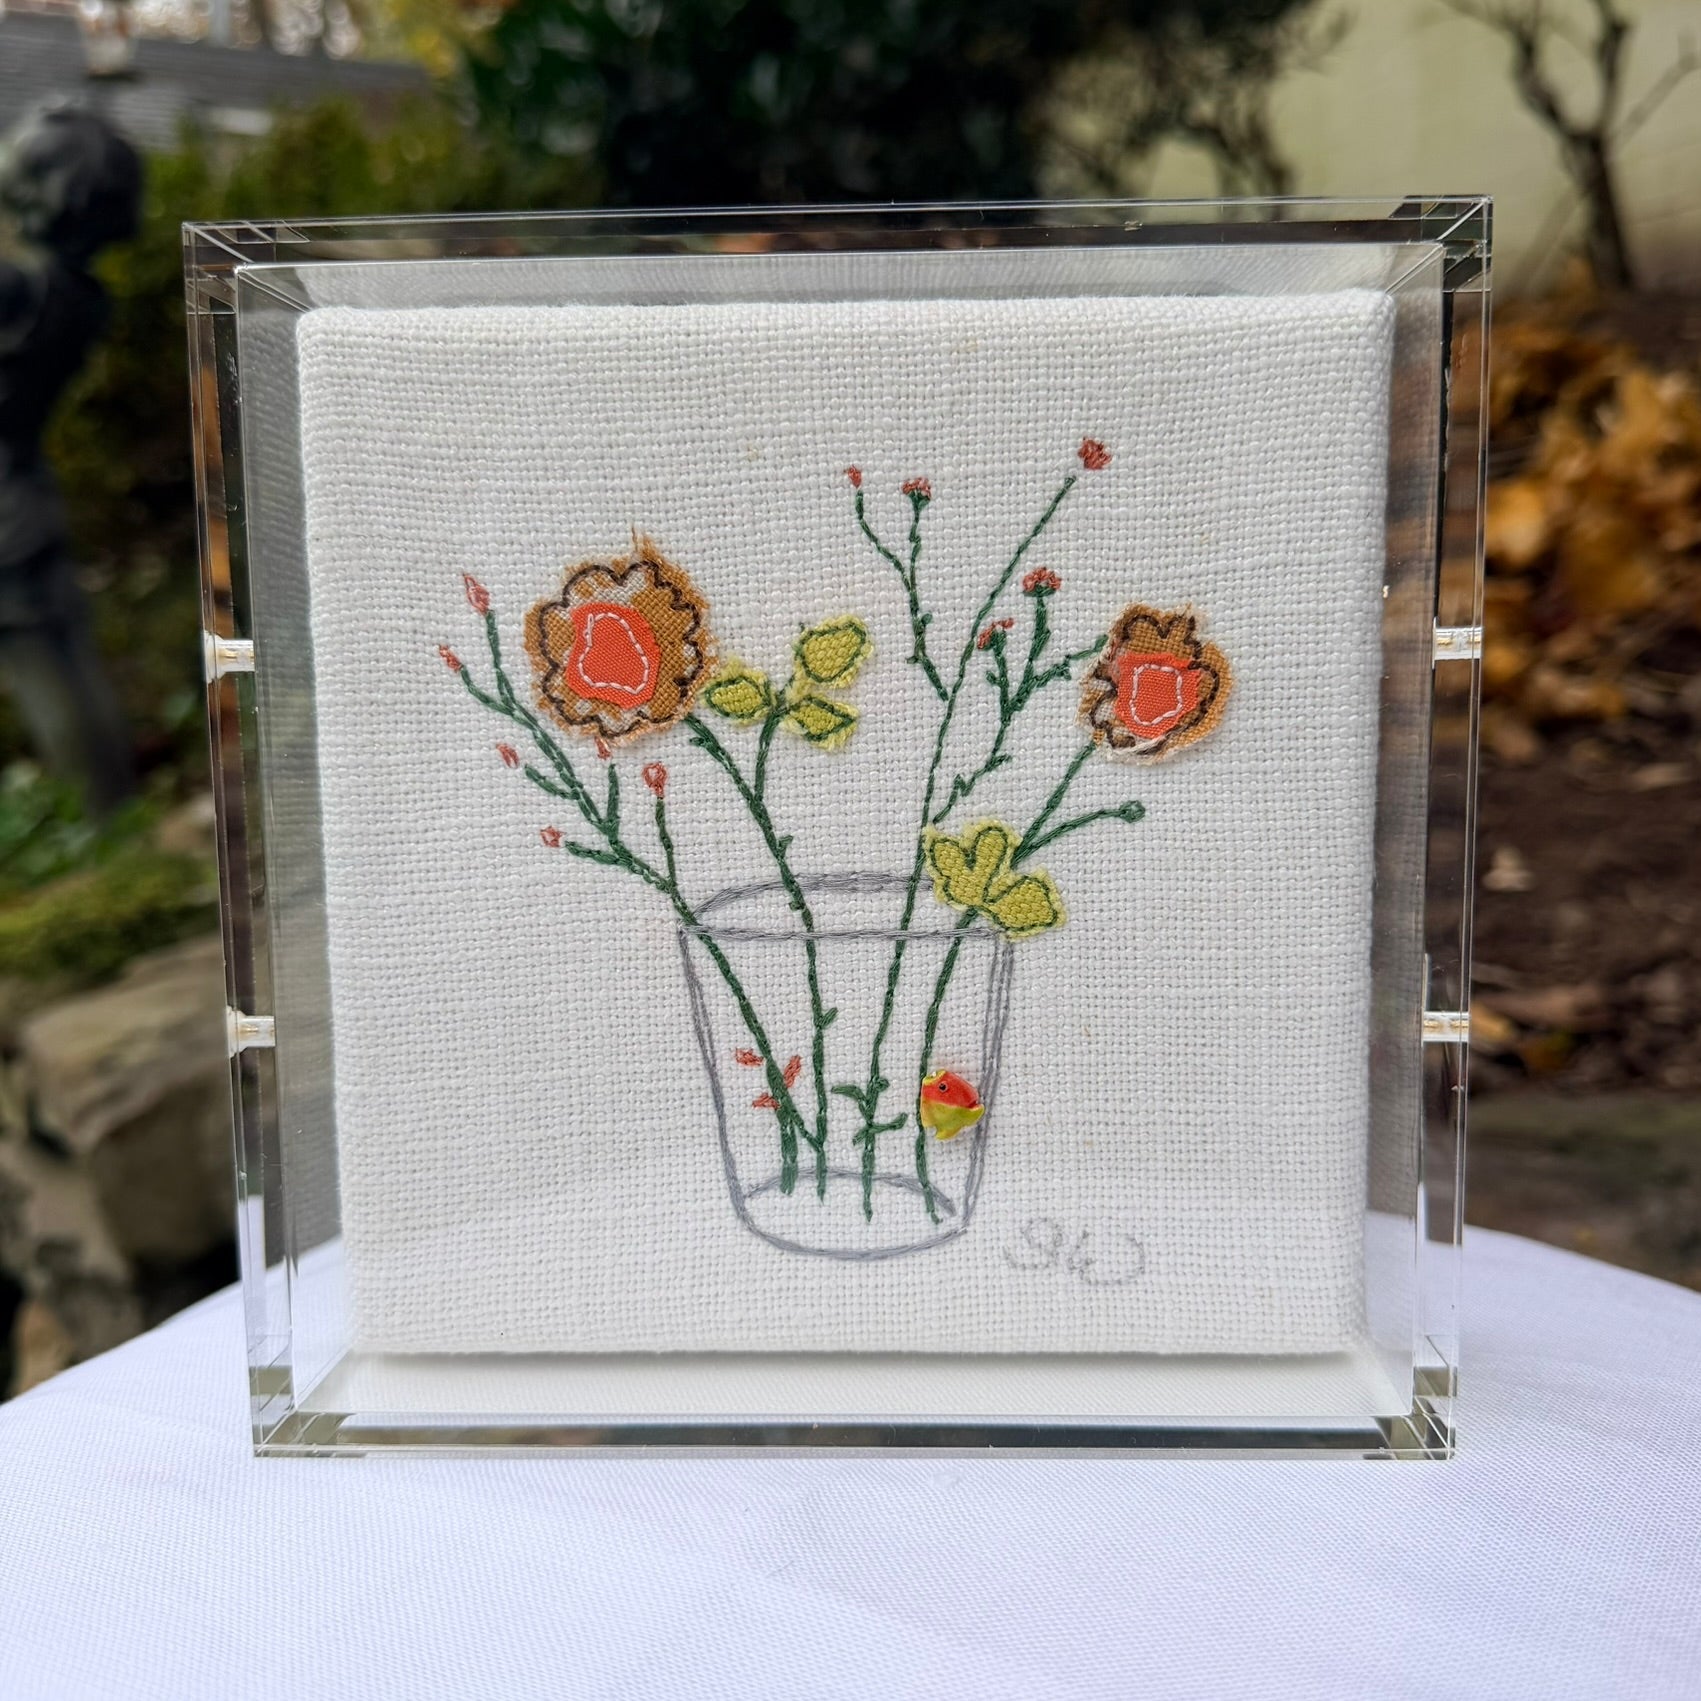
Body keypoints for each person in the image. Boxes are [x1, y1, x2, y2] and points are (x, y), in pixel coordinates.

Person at [0, 101, 142, 815]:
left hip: (6, 502)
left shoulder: (21, 290)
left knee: (35, 662)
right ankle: (118, 814)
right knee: (66, 651)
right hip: (27, 490)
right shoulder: (83, 297)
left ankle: (101, 819)